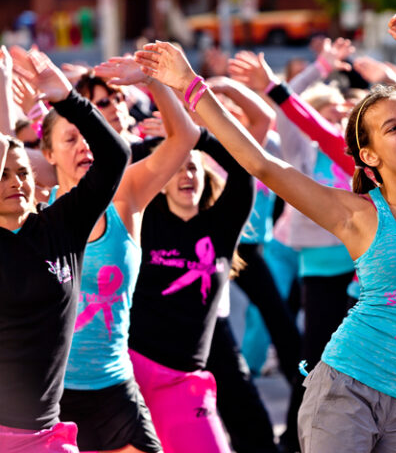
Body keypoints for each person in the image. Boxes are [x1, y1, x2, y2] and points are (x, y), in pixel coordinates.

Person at [134, 8, 396, 452]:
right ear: (370, 156)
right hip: (348, 392)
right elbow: (264, 163)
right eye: (391, 128)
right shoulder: (356, 214)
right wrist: (191, 85)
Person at [41, 55, 199, 453]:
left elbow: (184, 138)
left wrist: (152, 82)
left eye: (88, 136)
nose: (83, 146)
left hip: (114, 391)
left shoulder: (125, 195)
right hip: (48, 398)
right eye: (69, 138)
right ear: (47, 153)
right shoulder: (35, 213)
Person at [0, 49, 130, 451]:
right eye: (2, 174)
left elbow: (116, 157)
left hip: (48, 434)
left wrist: (68, 99)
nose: (15, 180)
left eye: (22, 171)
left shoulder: (61, 227)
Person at [126, 105, 254, 453]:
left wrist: (198, 136)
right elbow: (120, 166)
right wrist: (161, 141)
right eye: (178, 168)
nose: (187, 175)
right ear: (161, 181)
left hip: (184, 380)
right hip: (129, 372)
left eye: (193, 167)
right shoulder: (144, 220)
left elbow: (244, 171)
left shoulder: (221, 227)